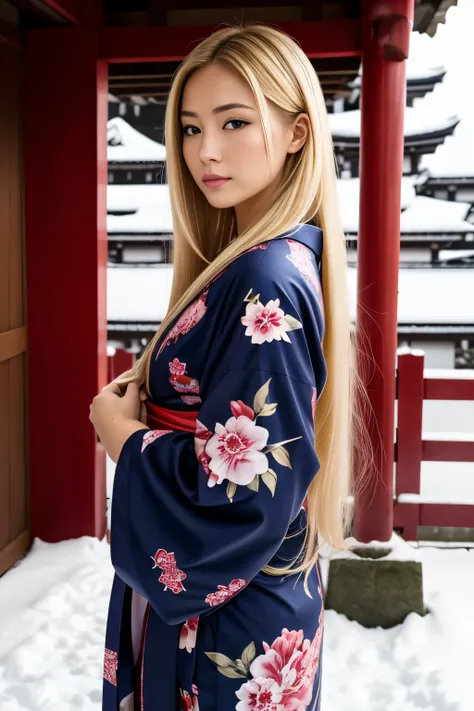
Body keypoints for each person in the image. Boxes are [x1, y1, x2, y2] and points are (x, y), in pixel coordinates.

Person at [90, 22, 356, 711]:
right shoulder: (261, 258)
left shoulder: (265, 276)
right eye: (189, 127)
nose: (205, 151)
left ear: (298, 131)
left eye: (235, 122)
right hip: (248, 598)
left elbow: (243, 499)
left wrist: (122, 435)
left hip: (224, 615)